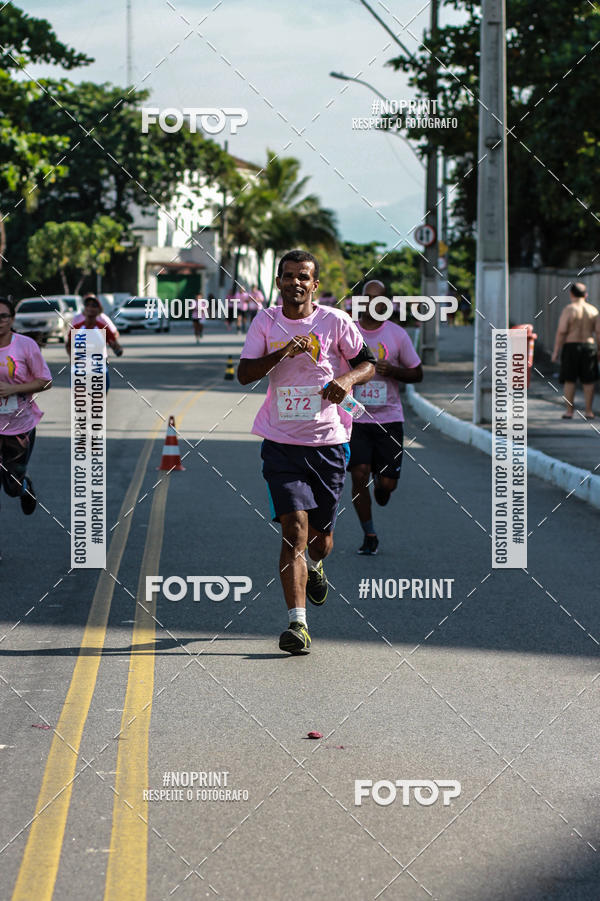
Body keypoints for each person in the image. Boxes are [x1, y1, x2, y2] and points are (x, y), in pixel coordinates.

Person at [238, 249, 375, 655]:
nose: (296, 282)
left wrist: (347, 379)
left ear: (315, 284)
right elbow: (244, 374)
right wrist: (283, 352)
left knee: (321, 542)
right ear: (278, 282)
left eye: (304, 277)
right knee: (293, 529)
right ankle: (297, 625)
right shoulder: (265, 322)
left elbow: (368, 363)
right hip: (280, 443)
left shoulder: (335, 321)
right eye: (289, 276)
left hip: (329, 444)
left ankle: (317, 568)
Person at [349, 281, 423, 555]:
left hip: (389, 418)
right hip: (355, 416)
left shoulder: (397, 334)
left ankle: (383, 488)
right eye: (366, 299)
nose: (372, 304)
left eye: (378, 299)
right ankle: (369, 533)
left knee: (387, 485)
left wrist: (392, 371)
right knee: (359, 474)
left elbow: (417, 373)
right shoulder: (349, 332)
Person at [0, 297, 53, 538]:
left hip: (18, 427)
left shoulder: (25, 345)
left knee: (11, 487)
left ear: (11, 319)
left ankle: (24, 487)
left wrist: (14, 389)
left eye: (3, 316)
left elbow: (45, 380)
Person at [551, 282, 600, 419]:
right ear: (586, 295)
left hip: (571, 346)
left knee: (570, 380)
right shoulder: (593, 310)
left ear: (571, 294)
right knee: (588, 380)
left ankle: (569, 411)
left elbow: (561, 331)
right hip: (589, 346)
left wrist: (556, 351)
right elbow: (598, 332)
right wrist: (599, 350)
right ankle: (589, 411)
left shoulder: (569, 309)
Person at [66, 295, 123, 392]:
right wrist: (72, 358)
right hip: (80, 368)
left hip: (98, 369)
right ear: (84, 309)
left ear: (99, 310)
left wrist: (117, 349)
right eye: (87, 305)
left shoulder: (103, 328)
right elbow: (68, 345)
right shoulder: (76, 327)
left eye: (94, 306)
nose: (90, 308)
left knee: (98, 400)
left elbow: (116, 345)